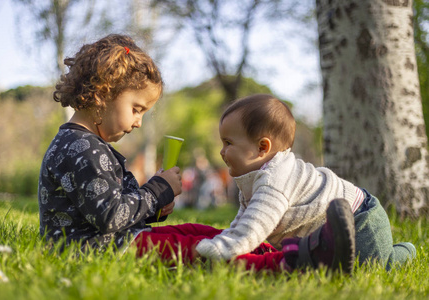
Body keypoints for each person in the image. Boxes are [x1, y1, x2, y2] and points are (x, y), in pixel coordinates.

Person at [38, 34, 355, 274]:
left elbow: (113, 208)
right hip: (98, 250)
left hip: (118, 240)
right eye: (136, 109)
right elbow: (110, 216)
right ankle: (297, 261)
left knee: (202, 233)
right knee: (196, 247)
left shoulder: (87, 145)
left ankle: (283, 250)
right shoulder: (80, 149)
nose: (138, 121)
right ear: (103, 93)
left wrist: (156, 207)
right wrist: (157, 190)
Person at [195, 94, 416, 270]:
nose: (222, 152)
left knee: (374, 266)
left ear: (263, 148)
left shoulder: (275, 179)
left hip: (361, 219)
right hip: (332, 227)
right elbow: (242, 222)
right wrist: (226, 238)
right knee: (336, 265)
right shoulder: (253, 180)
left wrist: (220, 250)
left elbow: (256, 223)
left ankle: (406, 251)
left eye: (228, 143)